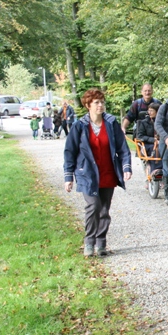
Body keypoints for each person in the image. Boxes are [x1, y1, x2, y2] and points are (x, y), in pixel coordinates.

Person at [63, 88, 132, 257]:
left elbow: (123, 148)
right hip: (87, 173)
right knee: (93, 206)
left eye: (102, 102)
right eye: (96, 103)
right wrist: (68, 176)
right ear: (88, 105)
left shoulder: (111, 123)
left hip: (107, 173)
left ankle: (101, 244)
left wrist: (126, 167)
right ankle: (89, 242)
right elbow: (70, 151)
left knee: (104, 210)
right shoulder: (79, 126)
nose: (100, 105)